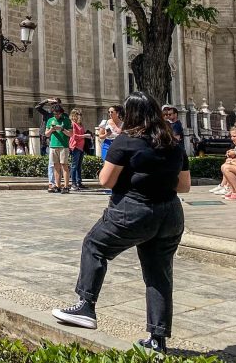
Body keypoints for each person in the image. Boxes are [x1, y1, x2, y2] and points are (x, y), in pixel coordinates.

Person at [52, 91, 190, 354]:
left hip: (134, 211)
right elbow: (184, 186)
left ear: (131, 114)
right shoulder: (173, 144)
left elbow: (106, 180)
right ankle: (157, 340)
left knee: (94, 245)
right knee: (159, 274)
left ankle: (86, 306)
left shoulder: (126, 141)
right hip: (170, 214)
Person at [45, 103, 72, 193]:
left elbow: (70, 134)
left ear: (61, 113)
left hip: (63, 146)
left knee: (64, 165)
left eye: (58, 114)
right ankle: (57, 185)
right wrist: (51, 130)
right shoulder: (50, 120)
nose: (56, 115)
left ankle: (66, 186)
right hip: (53, 145)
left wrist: (62, 129)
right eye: (54, 114)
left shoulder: (66, 120)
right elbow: (46, 134)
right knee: (56, 166)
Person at [68, 109, 87, 191]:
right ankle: (73, 183)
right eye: (78, 114)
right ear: (74, 115)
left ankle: (79, 182)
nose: (80, 116)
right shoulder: (72, 124)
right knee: (74, 165)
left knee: (79, 166)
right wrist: (84, 136)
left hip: (81, 147)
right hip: (75, 146)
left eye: (81, 114)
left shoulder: (80, 124)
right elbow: (74, 136)